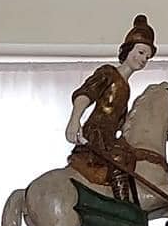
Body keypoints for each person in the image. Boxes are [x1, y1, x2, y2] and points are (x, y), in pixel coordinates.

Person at [64, 14, 156, 205]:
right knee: (119, 160)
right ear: (128, 50)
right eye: (140, 52)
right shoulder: (108, 73)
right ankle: (123, 209)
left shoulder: (127, 88)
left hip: (111, 138)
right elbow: (86, 93)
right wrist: (74, 120)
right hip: (96, 136)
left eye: (147, 57)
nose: (143, 59)